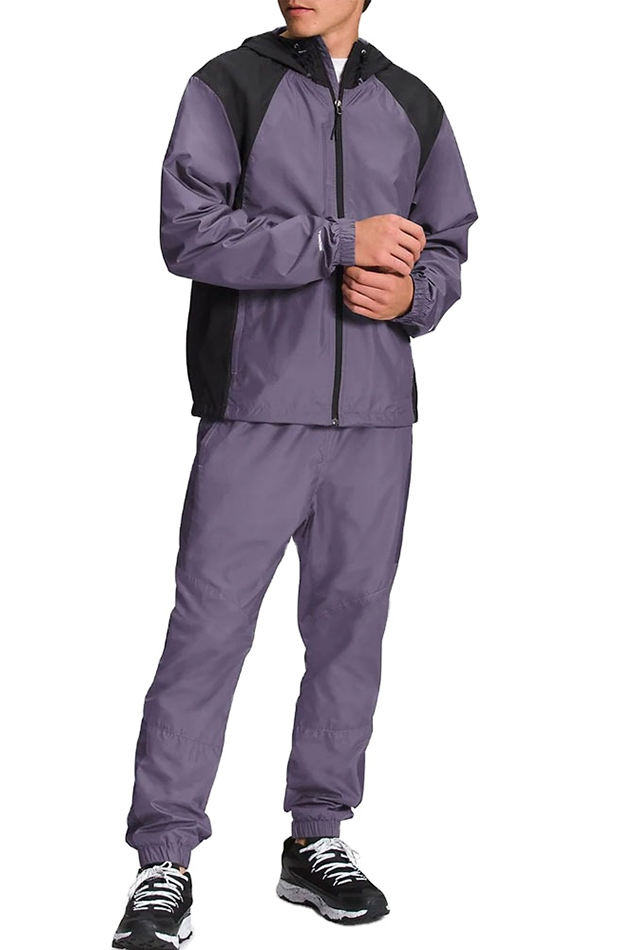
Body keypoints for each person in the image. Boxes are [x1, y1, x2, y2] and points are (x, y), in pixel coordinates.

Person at [112, 1, 477, 946]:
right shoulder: (227, 85)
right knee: (209, 631)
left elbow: (446, 246)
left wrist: (413, 294)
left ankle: (317, 837)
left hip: (376, 421)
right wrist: (338, 241)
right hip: (255, 405)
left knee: (351, 630)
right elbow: (189, 233)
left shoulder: (415, 104)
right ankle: (164, 859)